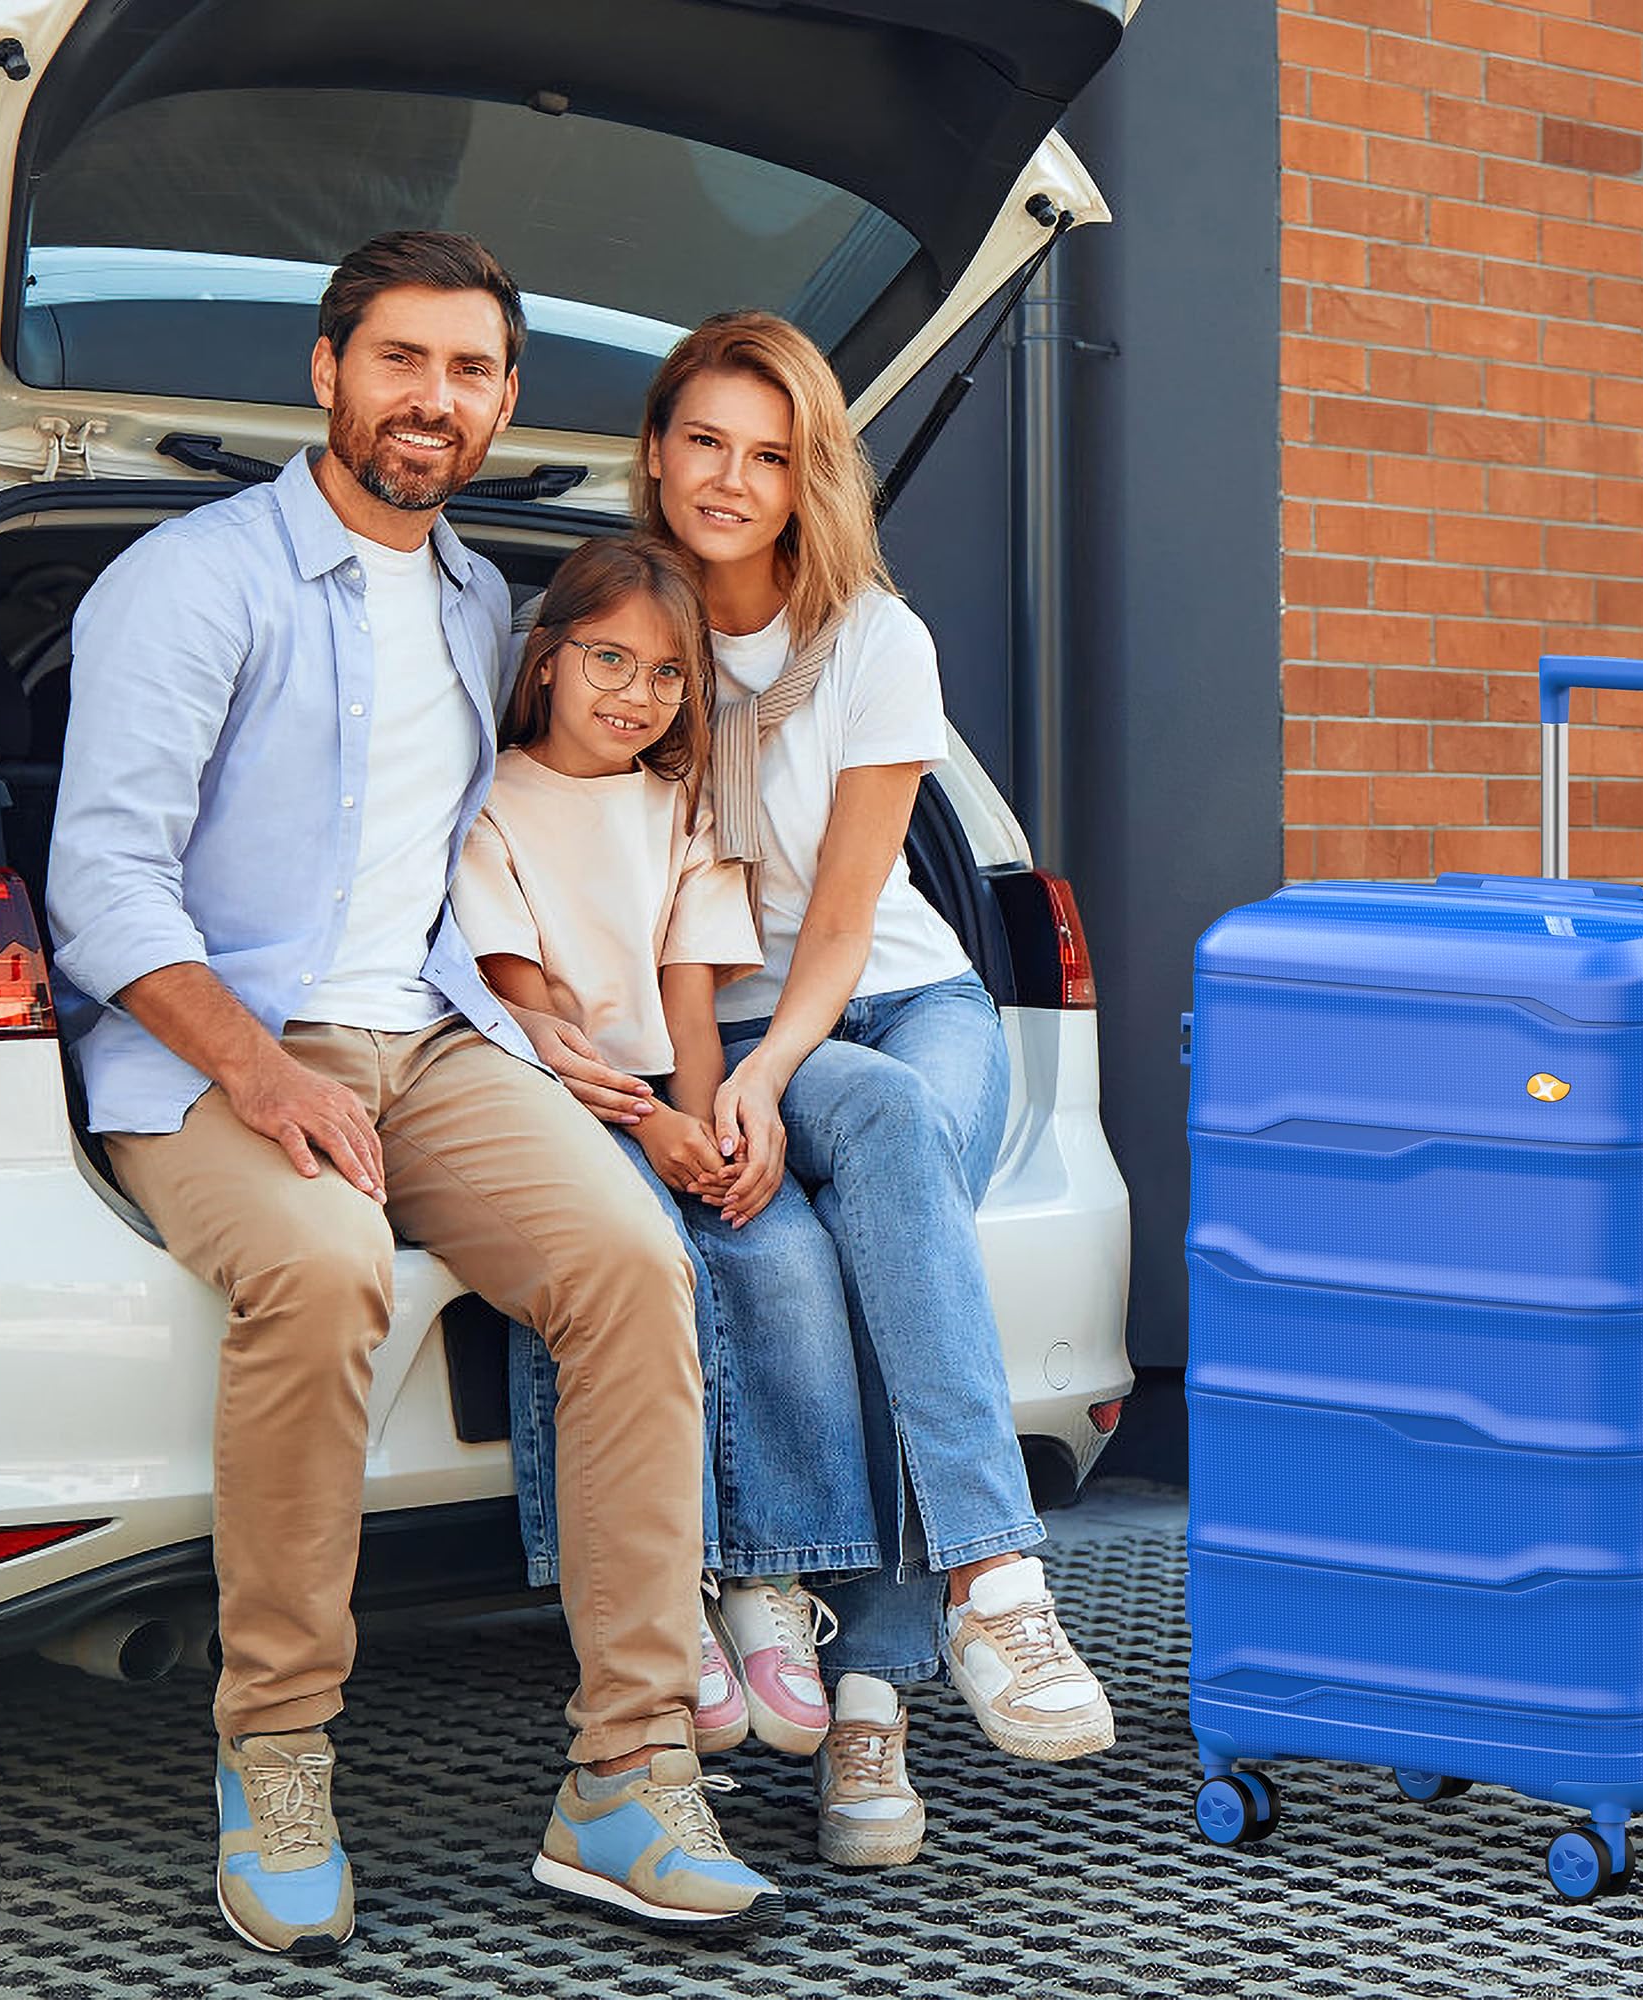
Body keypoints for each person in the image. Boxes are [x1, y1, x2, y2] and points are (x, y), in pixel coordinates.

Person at [45, 233, 783, 1954]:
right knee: (321, 1270)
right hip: (215, 1041)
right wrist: (257, 1070)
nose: (432, 400)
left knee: (630, 1264)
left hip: (434, 1041)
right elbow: (102, 886)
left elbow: (511, 856)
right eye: (401, 361)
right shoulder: (190, 580)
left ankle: (626, 1775)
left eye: (468, 371)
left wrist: (586, 1054)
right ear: (327, 372)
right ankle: (277, 1751)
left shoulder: (476, 601)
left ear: (509, 399)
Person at [639, 310, 1117, 1865]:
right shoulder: (622, 632)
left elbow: (847, 916)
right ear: (656, 453)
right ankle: (896, 1685)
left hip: (907, 1007)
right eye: (705, 442)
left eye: (767, 455)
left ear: (807, 480)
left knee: (896, 1135)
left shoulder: (873, 640)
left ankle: (964, 1608)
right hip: (724, 1021)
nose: (730, 478)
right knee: (862, 1259)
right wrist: (715, 1073)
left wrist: (772, 1075)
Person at [451, 533, 882, 1764]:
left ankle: (771, 1581)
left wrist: (710, 1127)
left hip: (663, 1090)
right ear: (544, 659)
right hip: (554, 1093)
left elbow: (685, 999)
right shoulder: (485, 805)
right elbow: (525, 1000)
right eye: (608, 660)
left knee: (780, 1252)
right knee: (649, 1267)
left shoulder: (680, 804)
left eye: (668, 675)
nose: (636, 695)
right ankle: (667, 1591)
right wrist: (652, 1131)